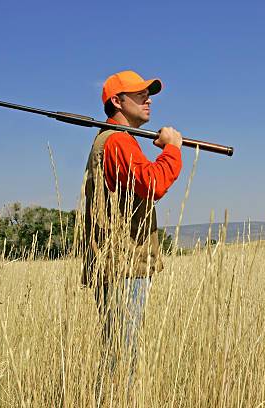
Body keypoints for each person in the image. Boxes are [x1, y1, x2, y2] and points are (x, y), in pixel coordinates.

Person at [81, 70, 183, 379]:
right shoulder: (117, 142)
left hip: (120, 263)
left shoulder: (116, 141)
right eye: (139, 94)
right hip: (122, 265)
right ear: (117, 101)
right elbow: (153, 184)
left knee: (120, 354)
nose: (148, 99)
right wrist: (173, 149)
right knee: (122, 360)